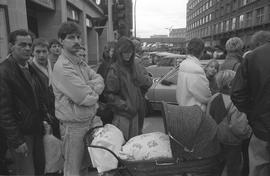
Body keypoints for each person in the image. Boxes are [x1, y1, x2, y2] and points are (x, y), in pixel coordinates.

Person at [52, 22, 104, 176]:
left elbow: (99, 78)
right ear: (61, 41)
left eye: (78, 37)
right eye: (71, 37)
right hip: (73, 127)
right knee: (72, 170)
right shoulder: (63, 67)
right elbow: (86, 98)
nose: (76, 41)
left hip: (87, 122)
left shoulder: (79, 62)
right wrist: (91, 89)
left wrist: (87, 86)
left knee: (84, 167)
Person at [0, 29, 45, 175]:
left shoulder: (31, 68)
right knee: (27, 172)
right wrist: (17, 140)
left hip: (36, 129)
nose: (27, 48)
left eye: (29, 45)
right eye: (22, 45)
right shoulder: (4, 71)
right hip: (21, 134)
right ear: (11, 46)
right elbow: (3, 111)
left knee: (39, 169)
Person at [231, 30, 270, 176]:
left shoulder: (253, 57)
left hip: (262, 127)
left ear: (259, 44)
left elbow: (237, 93)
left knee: (259, 166)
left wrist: (253, 114)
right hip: (261, 123)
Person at [104, 37, 151, 139]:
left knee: (133, 147)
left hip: (136, 114)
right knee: (122, 146)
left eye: (130, 52)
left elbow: (146, 83)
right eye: (125, 52)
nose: (128, 55)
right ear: (119, 52)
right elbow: (109, 94)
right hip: (122, 116)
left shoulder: (134, 66)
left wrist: (143, 80)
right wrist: (125, 106)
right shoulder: (115, 69)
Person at [207, 70, 252, 176]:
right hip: (232, 141)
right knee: (234, 166)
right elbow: (239, 127)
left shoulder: (214, 97)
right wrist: (248, 132)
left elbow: (208, 116)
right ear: (231, 85)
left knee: (217, 164)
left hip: (216, 138)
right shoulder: (236, 102)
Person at [29, 38, 60, 139]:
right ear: (32, 52)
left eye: (44, 51)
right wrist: (45, 114)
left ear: (48, 52)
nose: (41, 55)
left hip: (57, 110)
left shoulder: (53, 66)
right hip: (43, 115)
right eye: (38, 51)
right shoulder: (30, 70)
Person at [176, 38, 211, 111]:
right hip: (195, 110)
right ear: (201, 51)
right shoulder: (196, 69)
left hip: (183, 107)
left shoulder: (184, 64)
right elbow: (204, 95)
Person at [97, 42, 116, 125]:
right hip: (108, 103)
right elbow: (100, 83)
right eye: (113, 51)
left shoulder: (119, 65)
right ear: (108, 52)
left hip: (115, 102)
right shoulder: (104, 66)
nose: (115, 53)